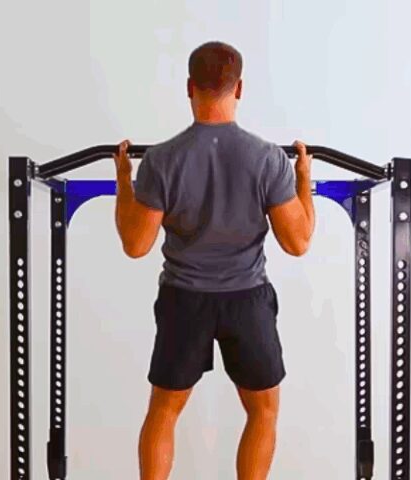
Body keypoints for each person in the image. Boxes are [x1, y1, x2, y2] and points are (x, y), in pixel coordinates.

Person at [112, 41, 315, 480]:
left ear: (189, 87)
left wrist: (124, 179)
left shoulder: (162, 160)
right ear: (238, 88)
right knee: (263, 410)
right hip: (247, 300)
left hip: (185, 300)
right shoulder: (267, 159)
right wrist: (303, 178)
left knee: (164, 410)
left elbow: (135, 244)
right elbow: (298, 242)